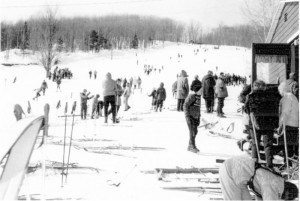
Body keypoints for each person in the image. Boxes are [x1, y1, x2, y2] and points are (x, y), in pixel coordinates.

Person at [219, 155, 298, 200]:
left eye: (289, 197)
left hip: (237, 171)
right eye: (289, 194)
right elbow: (270, 197)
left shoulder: (276, 181)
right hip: (232, 172)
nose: (287, 196)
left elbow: (262, 196)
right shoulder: (275, 186)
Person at [244, 80, 281, 168]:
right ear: (263, 87)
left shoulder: (251, 96)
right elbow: (275, 109)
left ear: (255, 86)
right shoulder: (270, 95)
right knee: (268, 145)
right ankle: (269, 164)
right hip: (269, 123)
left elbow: (247, 109)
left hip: (255, 123)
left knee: (254, 143)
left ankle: (254, 163)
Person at [277, 81, 299, 160]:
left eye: (280, 91)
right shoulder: (294, 97)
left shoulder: (286, 98)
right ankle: (291, 164)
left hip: (288, 124)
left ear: (282, 90)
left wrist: (281, 126)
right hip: (295, 124)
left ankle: (288, 165)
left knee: (287, 146)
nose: (280, 93)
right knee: (291, 146)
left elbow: (285, 113)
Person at [183, 83, 201, 153]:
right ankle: (191, 146)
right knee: (192, 131)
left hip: (195, 116)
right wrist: (187, 116)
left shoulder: (198, 96)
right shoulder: (192, 96)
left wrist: (199, 117)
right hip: (190, 116)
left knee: (195, 131)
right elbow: (185, 105)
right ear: (197, 90)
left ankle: (191, 145)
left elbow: (198, 108)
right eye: (201, 90)